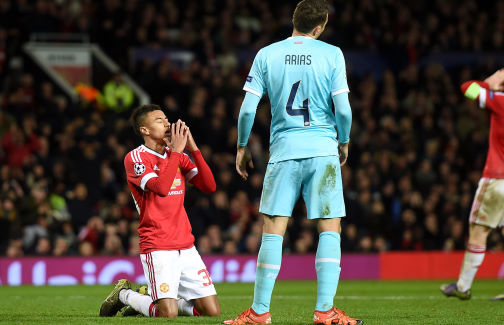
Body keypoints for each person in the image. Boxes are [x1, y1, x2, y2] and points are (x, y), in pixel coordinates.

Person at [225, 1, 360, 324]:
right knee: (330, 228)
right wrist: (344, 140)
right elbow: (343, 110)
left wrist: (242, 147)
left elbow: (246, 110)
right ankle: (325, 312)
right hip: (323, 151)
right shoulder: (332, 54)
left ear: (294, 21)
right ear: (320, 26)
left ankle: (259, 313)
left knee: (273, 230)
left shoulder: (267, 54)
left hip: (283, 151)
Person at [99, 104, 220, 318]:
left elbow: (209, 186)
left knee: (211, 312)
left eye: (166, 119)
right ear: (144, 130)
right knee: (167, 315)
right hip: (157, 244)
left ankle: (158, 298)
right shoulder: (136, 158)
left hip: (185, 243)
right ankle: (125, 295)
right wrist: (177, 152)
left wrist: (192, 149)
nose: (166, 123)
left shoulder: (178, 156)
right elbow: (161, 188)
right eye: (159, 120)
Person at [441, 68, 504, 301]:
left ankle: (463, 286)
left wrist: (487, 83)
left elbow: (467, 89)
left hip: (500, 178)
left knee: (478, 230)